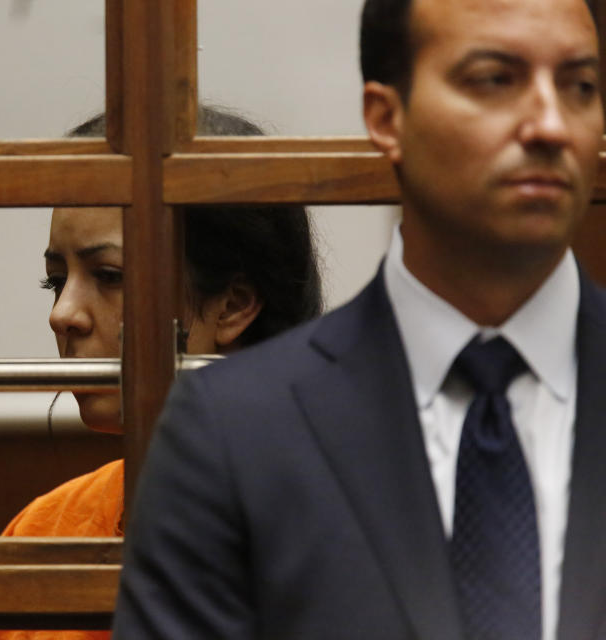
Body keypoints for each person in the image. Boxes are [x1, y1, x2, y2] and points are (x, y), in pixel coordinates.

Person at [113, 0, 606, 639]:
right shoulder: (234, 434)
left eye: (581, 87)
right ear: (386, 117)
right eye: (495, 80)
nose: (550, 124)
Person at [0, 107, 322, 640]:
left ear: (234, 304)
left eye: (109, 276)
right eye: (55, 281)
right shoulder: (44, 528)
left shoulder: (343, 527)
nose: (63, 314)